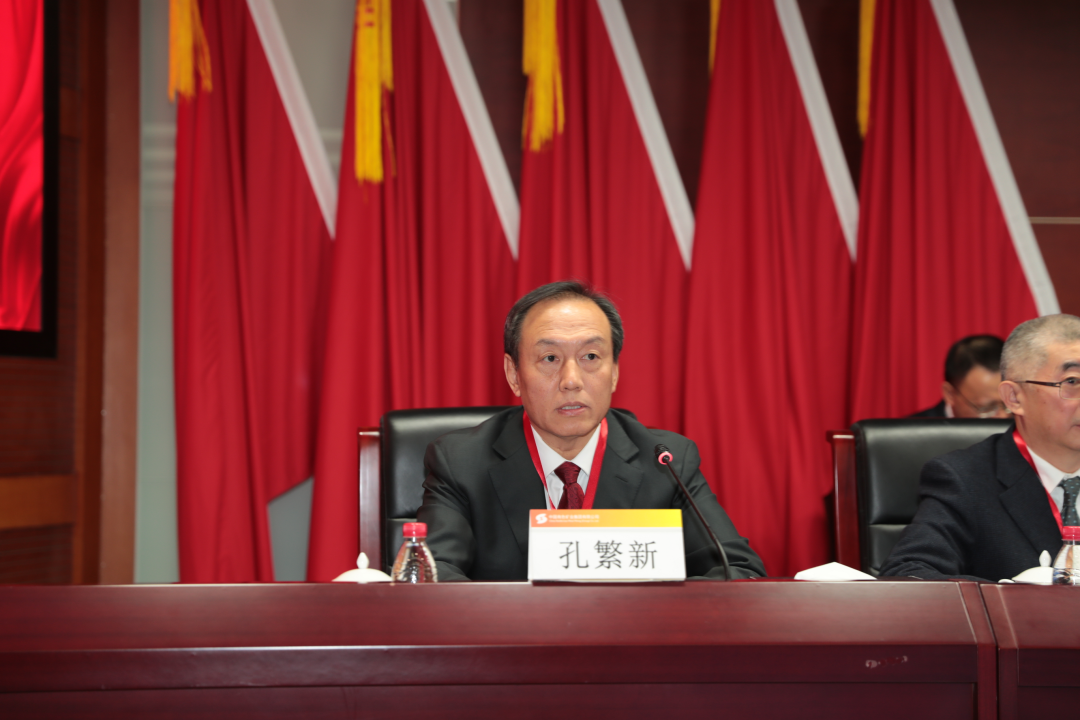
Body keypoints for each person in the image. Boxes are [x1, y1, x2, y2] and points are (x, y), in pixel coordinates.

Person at [417, 281, 766, 581]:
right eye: (550, 358)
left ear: (614, 372)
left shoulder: (666, 461)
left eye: (591, 357)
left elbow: (738, 571)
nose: (571, 380)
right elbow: (430, 576)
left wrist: (652, 613)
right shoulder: (461, 462)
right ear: (514, 374)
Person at [882, 314, 1080, 582]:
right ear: (1014, 397)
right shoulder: (965, 480)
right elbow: (908, 574)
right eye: (1072, 382)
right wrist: (1015, 597)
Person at [910, 335, 1009, 418]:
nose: (1003, 416)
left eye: (1009, 403)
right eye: (986, 408)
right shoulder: (913, 432)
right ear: (950, 394)